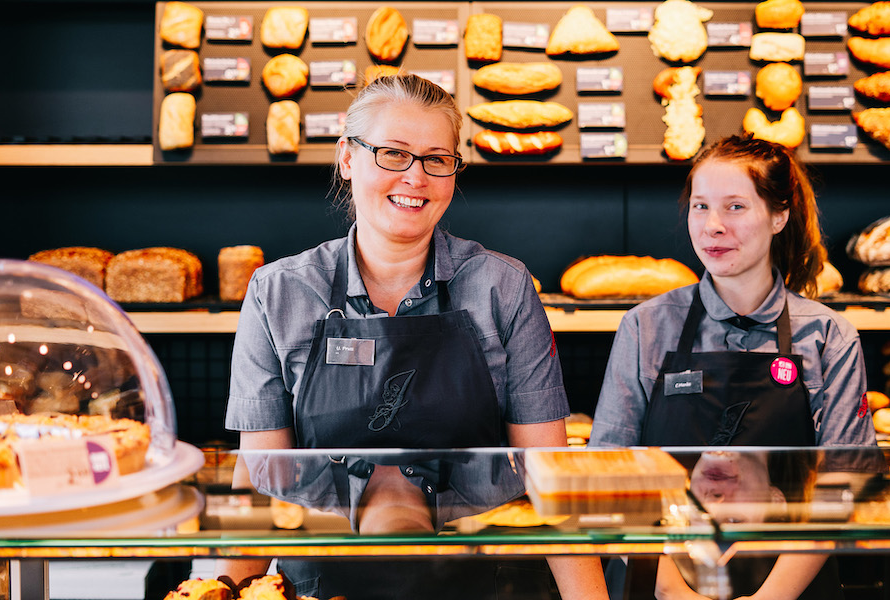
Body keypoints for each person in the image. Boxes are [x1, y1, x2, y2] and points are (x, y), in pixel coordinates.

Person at [217, 73, 608, 600]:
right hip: (316, 585)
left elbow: (551, 478)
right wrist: (220, 589)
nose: (416, 177)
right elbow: (260, 485)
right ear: (347, 158)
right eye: (394, 154)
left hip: (485, 582)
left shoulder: (503, 286)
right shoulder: (278, 293)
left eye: (436, 158)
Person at [589, 135, 880, 600]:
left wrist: (771, 598)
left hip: (792, 585)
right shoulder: (646, 326)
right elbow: (609, 479)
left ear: (779, 215)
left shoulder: (828, 336)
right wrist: (672, 591)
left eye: (736, 207)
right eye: (700, 207)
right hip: (657, 581)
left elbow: (843, 486)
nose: (713, 226)